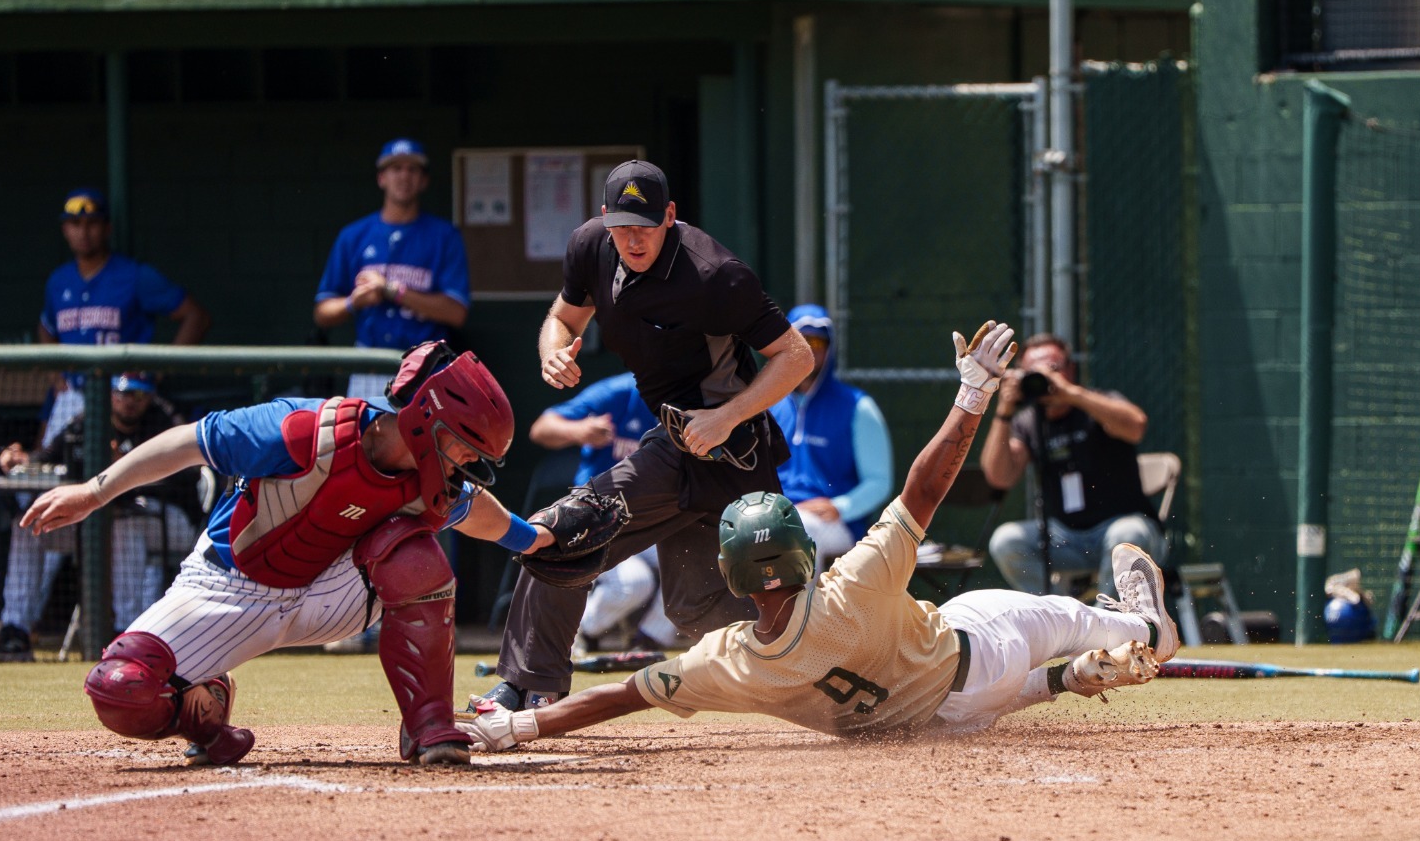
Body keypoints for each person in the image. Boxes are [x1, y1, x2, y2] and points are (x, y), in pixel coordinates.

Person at [459, 321, 1179, 752]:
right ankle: (1142, 625)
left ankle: (1065, 678)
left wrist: (519, 731)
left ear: (734, 577)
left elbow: (619, 695)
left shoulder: (730, 662)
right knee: (1048, 617)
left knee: (958, 703)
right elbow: (925, 487)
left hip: (933, 725)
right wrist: (972, 396)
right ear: (803, 555)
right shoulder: (855, 585)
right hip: (974, 656)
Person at [18, 344, 587, 767]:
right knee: (120, 690)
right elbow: (190, 442)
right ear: (425, 421)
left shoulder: (429, 481)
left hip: (329, 592)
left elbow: (482, 513)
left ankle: (430, 727)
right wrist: (94, 493)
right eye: (464, 444)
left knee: (412, 555)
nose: (466, 463)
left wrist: (535, 540)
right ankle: (206, 707)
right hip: (227, 587)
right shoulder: (305, 429)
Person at [483, 159, 812, 712]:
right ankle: (527, 686)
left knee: (581, 541)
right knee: (673, 597)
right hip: (674, 444)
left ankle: (829, 653)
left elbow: (796, 356)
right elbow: (563, 318)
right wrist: (552, 352)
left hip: (734, 453)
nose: (632, 238)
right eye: (622, 224)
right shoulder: (590, 246)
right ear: (604, 218)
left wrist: (725, 417)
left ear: (671, 217)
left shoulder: (716, 275)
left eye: (646, 224)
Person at [0, 374, 197, 660]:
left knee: (123, 524)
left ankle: (124, 631)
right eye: (122, 393)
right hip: (101, 519)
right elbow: (47, 457)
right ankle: (15, 630)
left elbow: (190, 475)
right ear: (110, 394)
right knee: (29, 525)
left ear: (149, 396)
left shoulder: (162, 419)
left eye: (137, 395)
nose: (128, 402)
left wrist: (127, 471)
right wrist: (21, 460)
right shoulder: (90, 419)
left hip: (168, 518)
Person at [980, 333, 1161, 598]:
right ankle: (1063, 618)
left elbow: (1136, 427)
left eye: (1053, 368)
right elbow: (999, 477)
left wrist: (1071, 394)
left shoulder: (1098, 402)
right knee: (1006, 541)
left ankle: (1107, 626)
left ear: (1071, 369)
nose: (1045, 376)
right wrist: (1004, 408)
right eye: (1033, 371)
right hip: (1066, 538)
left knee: (1127, 533)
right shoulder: (1028, 422)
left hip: (1125, 532)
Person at [38, 187, 210, 443]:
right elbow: (46, 328)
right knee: (46, 466)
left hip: (124, 397)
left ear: (107, 228)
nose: (83, 232)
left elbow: (196, 316)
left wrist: (161, 367)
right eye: (75, 224)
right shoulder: (57, 281)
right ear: (65, 230)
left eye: (92, 224)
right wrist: (55, 371)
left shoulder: (135, 276)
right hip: (74, 395)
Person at [528, 371, 676, 652]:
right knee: (634, 582)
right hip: (597, 517)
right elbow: (541, 427)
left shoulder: (689, 398)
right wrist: (578, 431)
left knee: (693, 558)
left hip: (653, 516)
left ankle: (648, 642)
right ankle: (578, 634)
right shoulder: (619, 390)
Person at [314, 139, 471, 401]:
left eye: (412, 169)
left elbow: (457, 312)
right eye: (395, 168)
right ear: (381, 178)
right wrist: (354, 301)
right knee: (367, 439)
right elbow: (322, 313)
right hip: (369, 360)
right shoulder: (353, 236)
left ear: (423, 180)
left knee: (424, 441)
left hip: (427, 363)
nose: (404, 176)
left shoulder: (444, 236)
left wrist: (392, 291)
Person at [768, 304, 893, 568]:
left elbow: (879, 481)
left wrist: (841, 507)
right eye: (801, 340)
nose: (810, 348)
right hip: (773, 516)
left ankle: (804, 611)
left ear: (830, 348)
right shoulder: (766, 403)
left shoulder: (858, 406)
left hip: (835, 524)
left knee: (797, 536)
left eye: (818, 341)